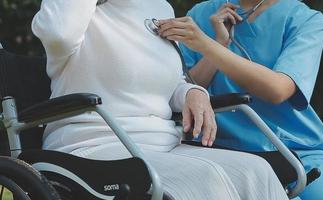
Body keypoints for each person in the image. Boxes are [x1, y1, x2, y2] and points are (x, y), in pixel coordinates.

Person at [31, 0, 289, 199]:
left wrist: (193, 92)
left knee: (258, 171)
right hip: (93, 145)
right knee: (206, 178)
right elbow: (59, 34)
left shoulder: (157, 6)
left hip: (164, 146)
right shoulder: (73, 11)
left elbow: (171, 78)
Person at [158, 0, 323, 199]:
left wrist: (206, 44)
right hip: (219, 152)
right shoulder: (201, 14)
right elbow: (184, 90)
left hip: (297, 150)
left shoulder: (306, 20)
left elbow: (278, 90)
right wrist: (219, 43)